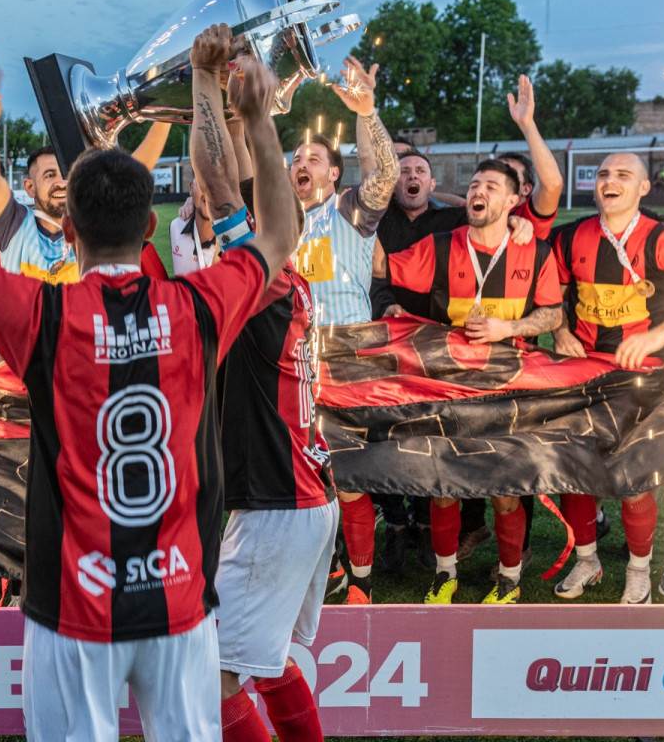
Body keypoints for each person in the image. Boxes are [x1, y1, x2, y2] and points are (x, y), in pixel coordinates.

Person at [0, 31, 294, 741]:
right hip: (179, 597)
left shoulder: (41, 315)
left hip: (75, 607)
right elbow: (278, 241)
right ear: (148, 227)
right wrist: (260, 122)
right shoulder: (197, 309)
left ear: (70, 228)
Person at [191, 49, 335, 741]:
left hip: (277, 502)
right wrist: (243, 113)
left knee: (213, 673)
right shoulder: (287, 278)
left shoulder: (262, 279)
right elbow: (240, 183)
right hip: (306, 493)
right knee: (268, 658)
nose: (204, 204)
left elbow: (220, 179)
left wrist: (203, 84)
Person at [374, 159, 564, 605]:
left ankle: (510, 579)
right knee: (444, 490)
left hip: (506, 391)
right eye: (475, 184)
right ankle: (445, 575)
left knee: (504, 493)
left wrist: (508, 329)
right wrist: (350, 217)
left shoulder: (534, 250)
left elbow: (553, 313)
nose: (479, 190)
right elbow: (382, 266)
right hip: (446, 389)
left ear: (514, 201)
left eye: (492, 186)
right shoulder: (440, 246)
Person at [290, 56, 398, 606]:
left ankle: (361, 582)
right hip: (292, 368)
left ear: (334, 174)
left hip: (346, 364)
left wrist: (366, 112)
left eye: (313, 157)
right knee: (302, 480)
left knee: (347, 479)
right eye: (296, 156)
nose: (300, 162)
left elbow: (385, 174)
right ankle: (325, 568)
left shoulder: (350, 211)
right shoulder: (277, 220)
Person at [550, 152, 664, 605]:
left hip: (645, 376)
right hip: (583, 371)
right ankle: (587, 560)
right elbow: (552, 294)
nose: (610, 180)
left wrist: (659, 334)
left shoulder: (661, 238)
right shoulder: (572, 236)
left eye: (624, 174)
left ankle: (638, 571)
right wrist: (560, 330)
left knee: (633, 475)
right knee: (574, 471)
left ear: (644, 187)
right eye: (604, 173)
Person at [169, 178, 218, 276]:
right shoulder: (175, 227)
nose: (208, 191)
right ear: (191, 188)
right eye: (202, 182)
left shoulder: (236, 237)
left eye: (216, 184)